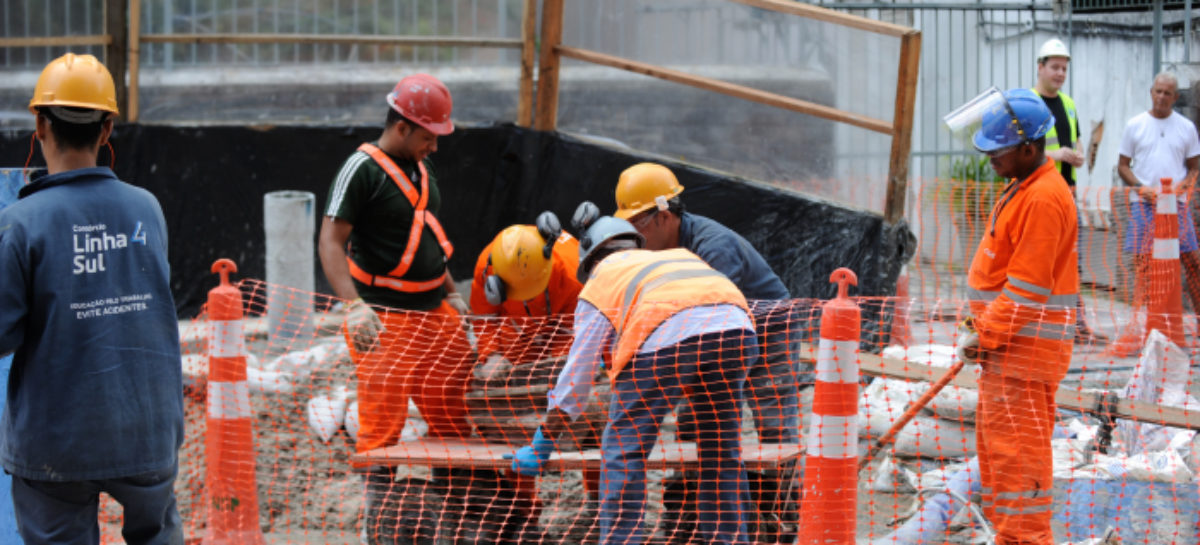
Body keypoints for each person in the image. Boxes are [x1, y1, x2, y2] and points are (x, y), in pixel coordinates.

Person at [0, 53, 184, 544]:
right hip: (147, 431)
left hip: (56, 443)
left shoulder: (21, 224)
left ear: (39, 124)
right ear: (107, 130)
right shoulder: (147, 209)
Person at [507, 210, 758, 545]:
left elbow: (577, 377)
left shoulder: (602, 280)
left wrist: (543, 442)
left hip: (665, 337)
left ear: (591, 259)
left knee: (624, 451)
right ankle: (729, 539)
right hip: (736, 329)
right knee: (721, 448)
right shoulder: (676, 258)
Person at [317, 73, 475, 543]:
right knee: (381, 427)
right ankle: (380, 529)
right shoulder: (361, 169)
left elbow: (423, 236)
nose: (436, 146)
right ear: (403, 126)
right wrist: (355, 308)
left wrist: (449, 290)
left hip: (432, 312)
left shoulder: (421, 170)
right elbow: (330, 241)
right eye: (430, 136)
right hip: (384, 318)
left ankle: (460, 514)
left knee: (453, 411)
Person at [957, 88, 1079, 545]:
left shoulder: (1044, 199)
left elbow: (1026, 291)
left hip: (1023, 355)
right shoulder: (1023, 187)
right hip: (1007, 352)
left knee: (1019, 463)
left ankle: (1023, 540)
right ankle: (1010, 536)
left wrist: (982, 332)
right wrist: (979, 331)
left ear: (1030, 148)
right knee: (1002, 461)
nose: (990, 159)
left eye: (999, 151)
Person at [608, 162, 804, 445]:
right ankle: (685, 487)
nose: (634, 235)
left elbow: (703, 315)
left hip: (769, 326)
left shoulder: (714, 246)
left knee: (773, 420)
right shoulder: (657, 250)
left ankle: (784, 488)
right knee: (696, 421)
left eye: (637, 223)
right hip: (721, 330)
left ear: (663, 216)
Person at [466, 212, 582, 539]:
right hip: (516, 332)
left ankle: (597, 500)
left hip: (564, 327)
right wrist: (491, 353)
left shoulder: (573, 268)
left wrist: (558, 366)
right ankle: (523, 510)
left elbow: (581, 330)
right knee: (513, 415)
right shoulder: (487, 265)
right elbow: (484, 316)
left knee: (583, 415)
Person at [1033, 37, 1106, 344]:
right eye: (1055, 67)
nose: (1060, 74)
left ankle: (1074, 323)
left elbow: (1073, 141)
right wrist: (1057, 155)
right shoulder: (1029, 104)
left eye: (1064, 68)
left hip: (1066, 192)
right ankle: (1040, 322)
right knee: (1040, 258)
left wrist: (1075, 154)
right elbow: (1022, 150)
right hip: (1037, 194)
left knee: (1069, 259)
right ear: (1041, 68)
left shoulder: (1069, 104)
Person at [1117, 72, 1200, 318]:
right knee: (1142, 264)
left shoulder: (1186, 128)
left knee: (1192, 262)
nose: (1161, 97)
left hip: (1178, 206)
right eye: (1158, 91)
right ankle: (1142, 324)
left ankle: (1198, 318)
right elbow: (1122, 165)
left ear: (1175, 97)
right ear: (1151, 93)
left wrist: (1184, 186)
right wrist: (1142, 188)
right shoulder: (1135, 125)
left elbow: (1195, 166)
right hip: (1143, 204)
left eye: (1167, 93)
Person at [469, 212, 583, 365]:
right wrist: (491, 354)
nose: (528, 297)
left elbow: (574, 329)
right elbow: (484, 317)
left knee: (565, 366)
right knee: (514, 363)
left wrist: (562, 364)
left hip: (563, 323)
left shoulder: (573, 273)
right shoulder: (486, 268)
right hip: (517, 328)